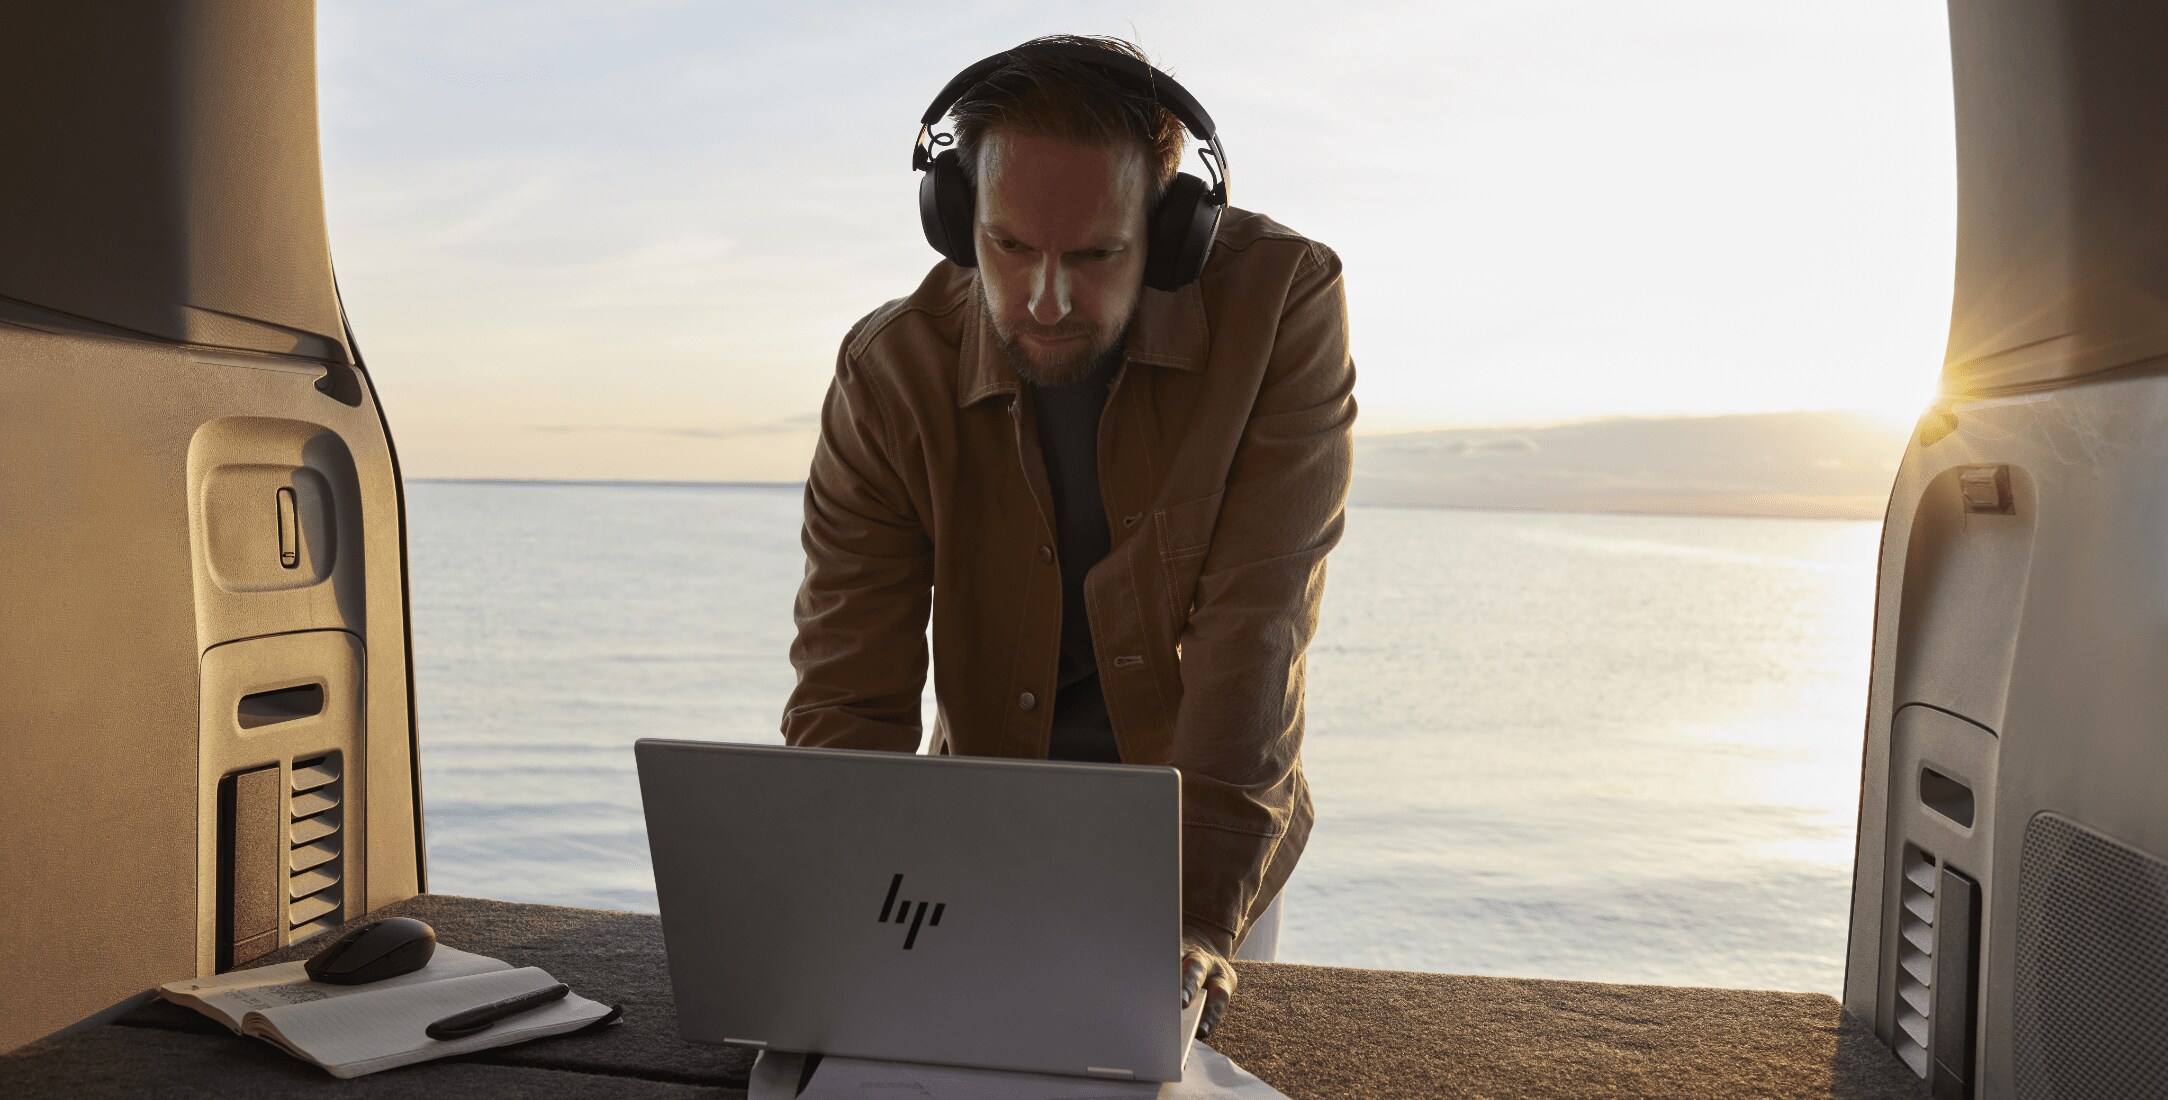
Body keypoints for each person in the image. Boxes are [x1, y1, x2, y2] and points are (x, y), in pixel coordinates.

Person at [781, 33, 1354, 1041]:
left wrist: (1189, 917)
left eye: (1093, 255)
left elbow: (1255, 629)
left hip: (1202, 837)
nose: (1044, 297)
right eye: (1009, 247)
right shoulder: (887, 372)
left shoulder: (1281, 303)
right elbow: (846, 688)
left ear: (1171, 229)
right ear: (958, 220)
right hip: (969, 840)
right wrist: (843, 910)